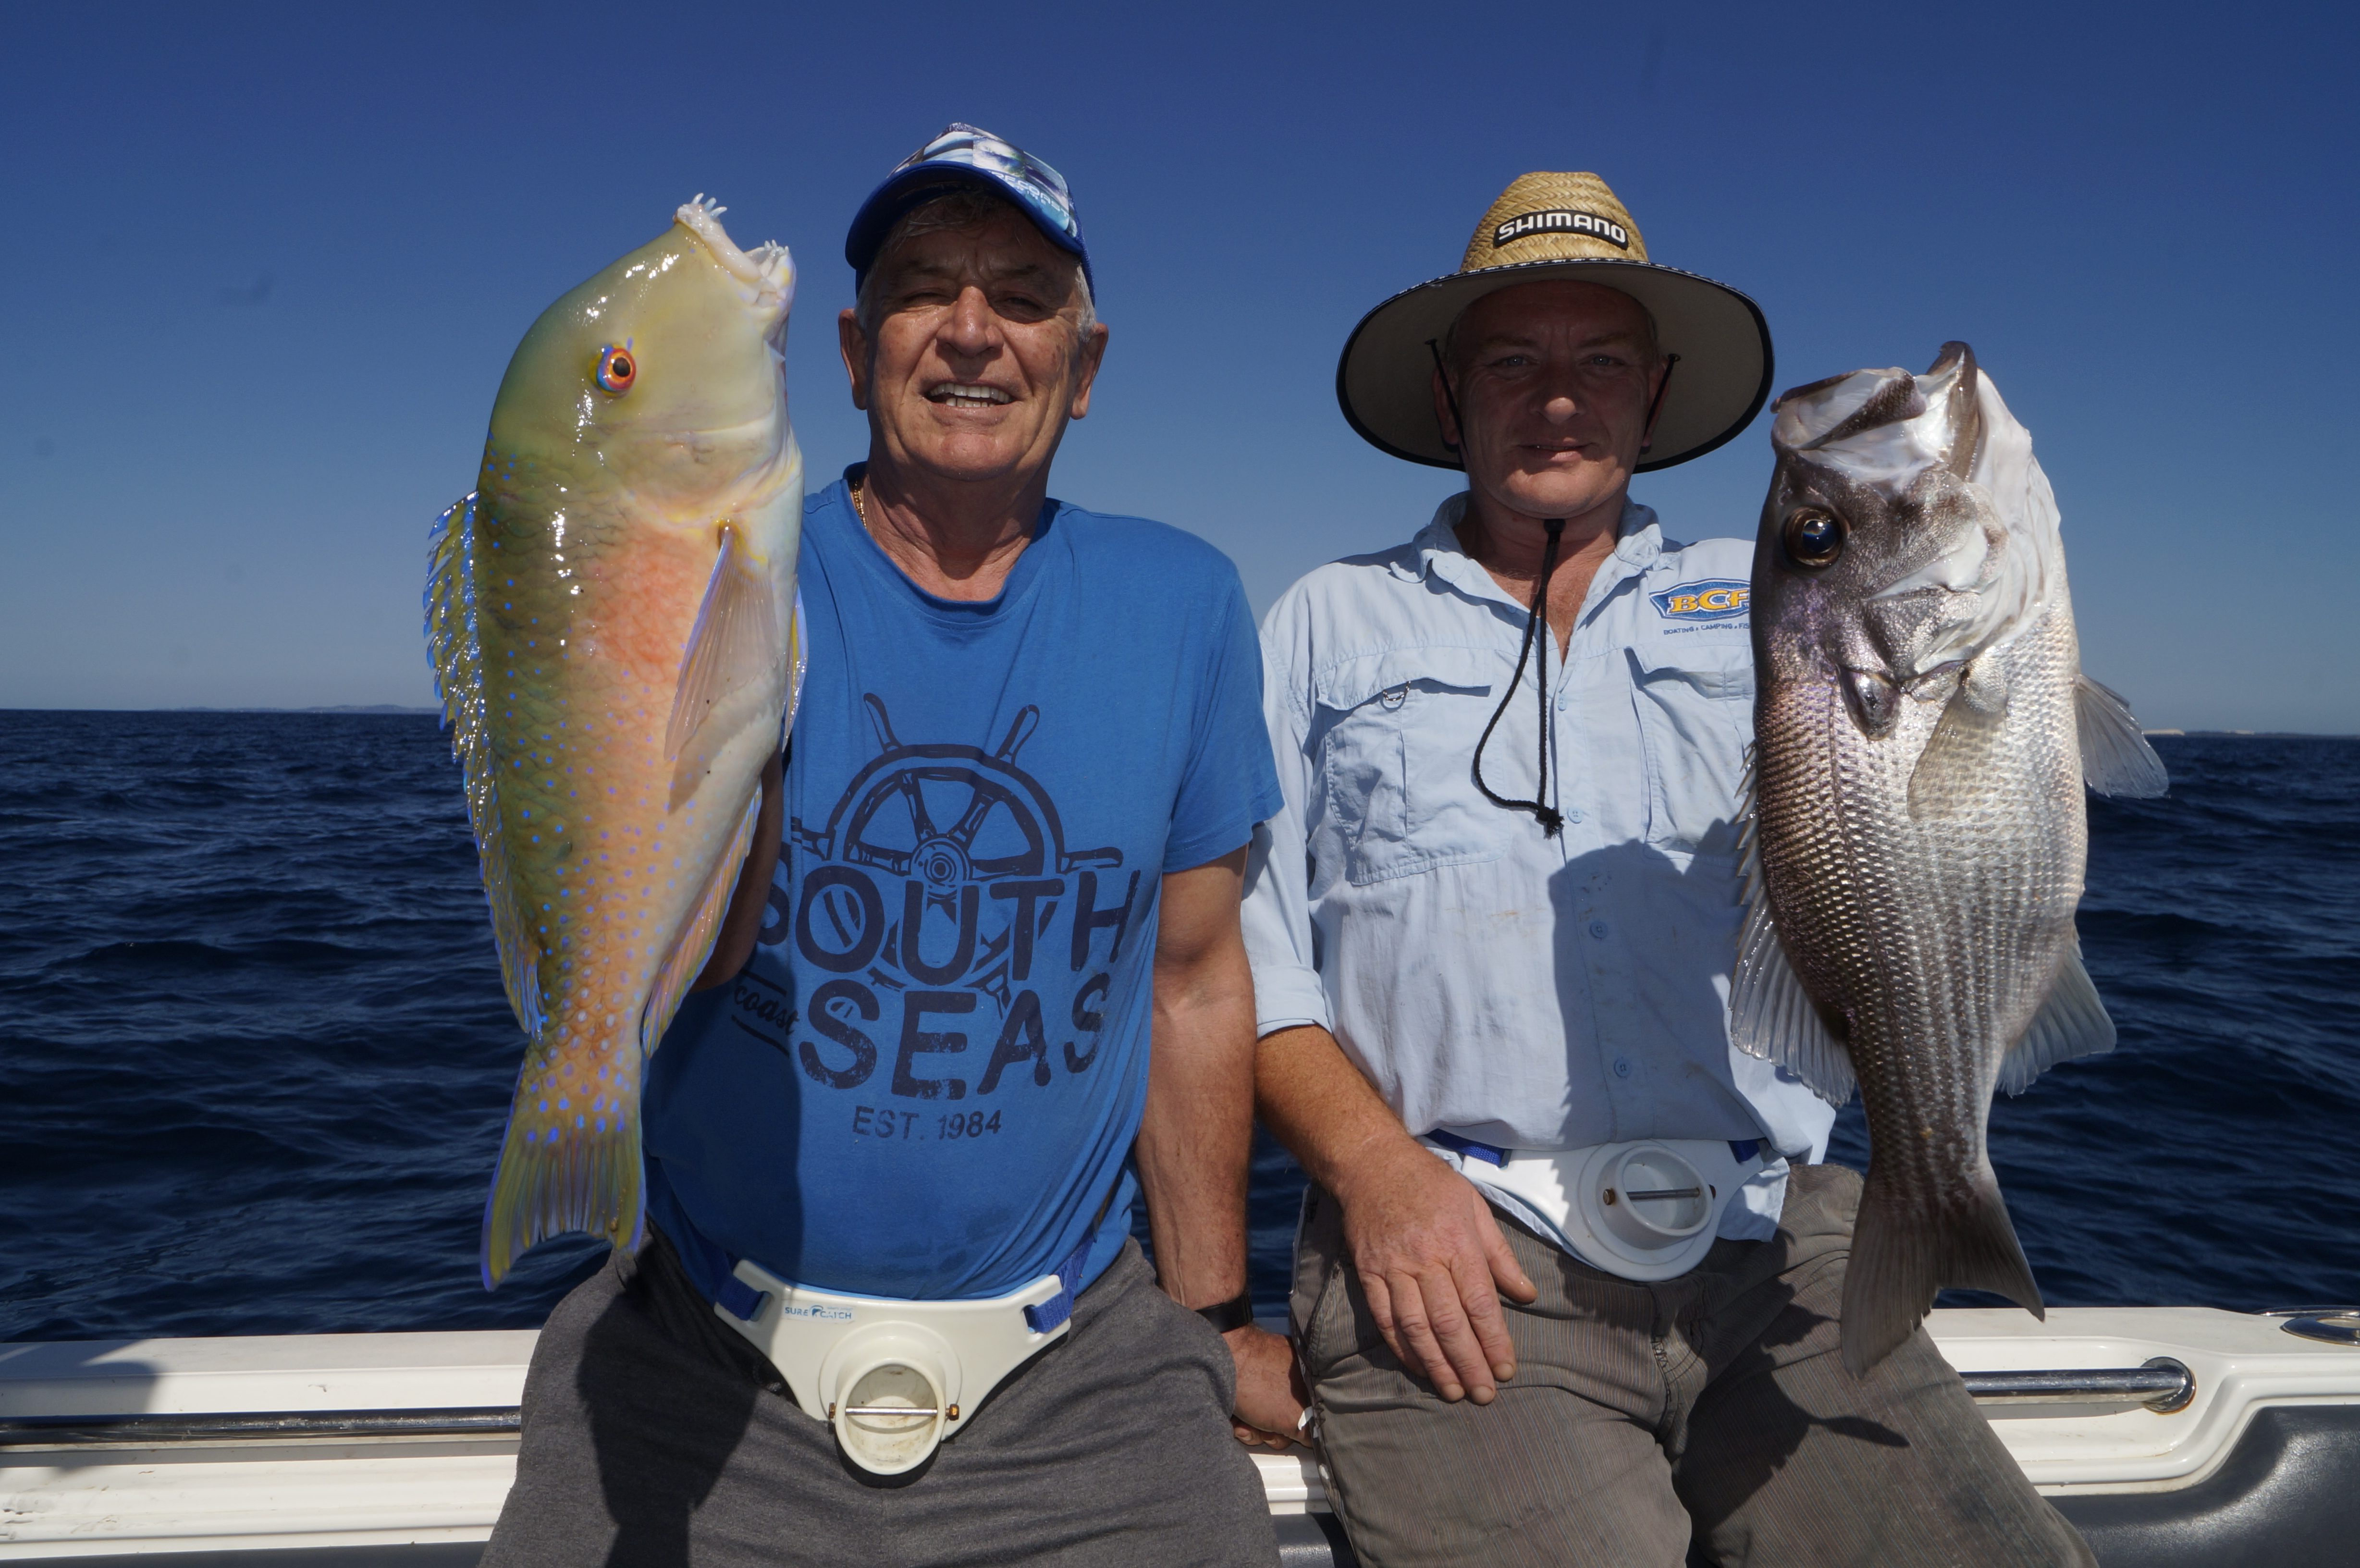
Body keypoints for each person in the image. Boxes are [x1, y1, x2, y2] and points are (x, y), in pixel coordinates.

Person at [1236, 171, 2097, 1567]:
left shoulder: (1784, 599)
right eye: (1513, 360)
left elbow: (1932, 819)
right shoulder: (1326, 624)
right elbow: (1243, 962)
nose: (1559, 396)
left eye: (1602, 362)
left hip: (1784, 1242)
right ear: (1450, 398)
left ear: (1657, 392)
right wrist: (1378, 1178)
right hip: (1463, 1253)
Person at [485, 123, 1291, 1568]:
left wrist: (1220, 1317)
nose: (974, 332)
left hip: (1081, 1369)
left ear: (1085, 368)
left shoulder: (1187, 602)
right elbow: (709, 938)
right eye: (925, 289)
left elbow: (1193, 981)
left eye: (1025, 297)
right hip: (709, 1345)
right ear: (853, 353)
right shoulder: (735, 571)